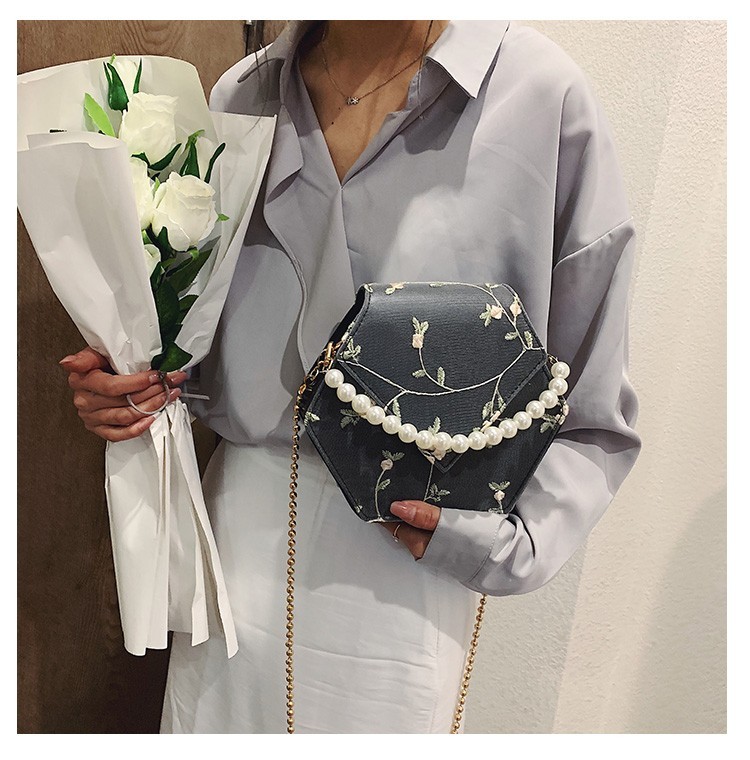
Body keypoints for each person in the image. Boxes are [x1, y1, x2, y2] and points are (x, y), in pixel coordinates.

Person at [59, 20, 642, 733]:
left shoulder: (540, 101)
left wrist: (499, 545)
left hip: (408, 565)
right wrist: (137, 389)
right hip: (238, 540)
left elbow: (591, 410)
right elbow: (199, 341)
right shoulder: (244, 96)